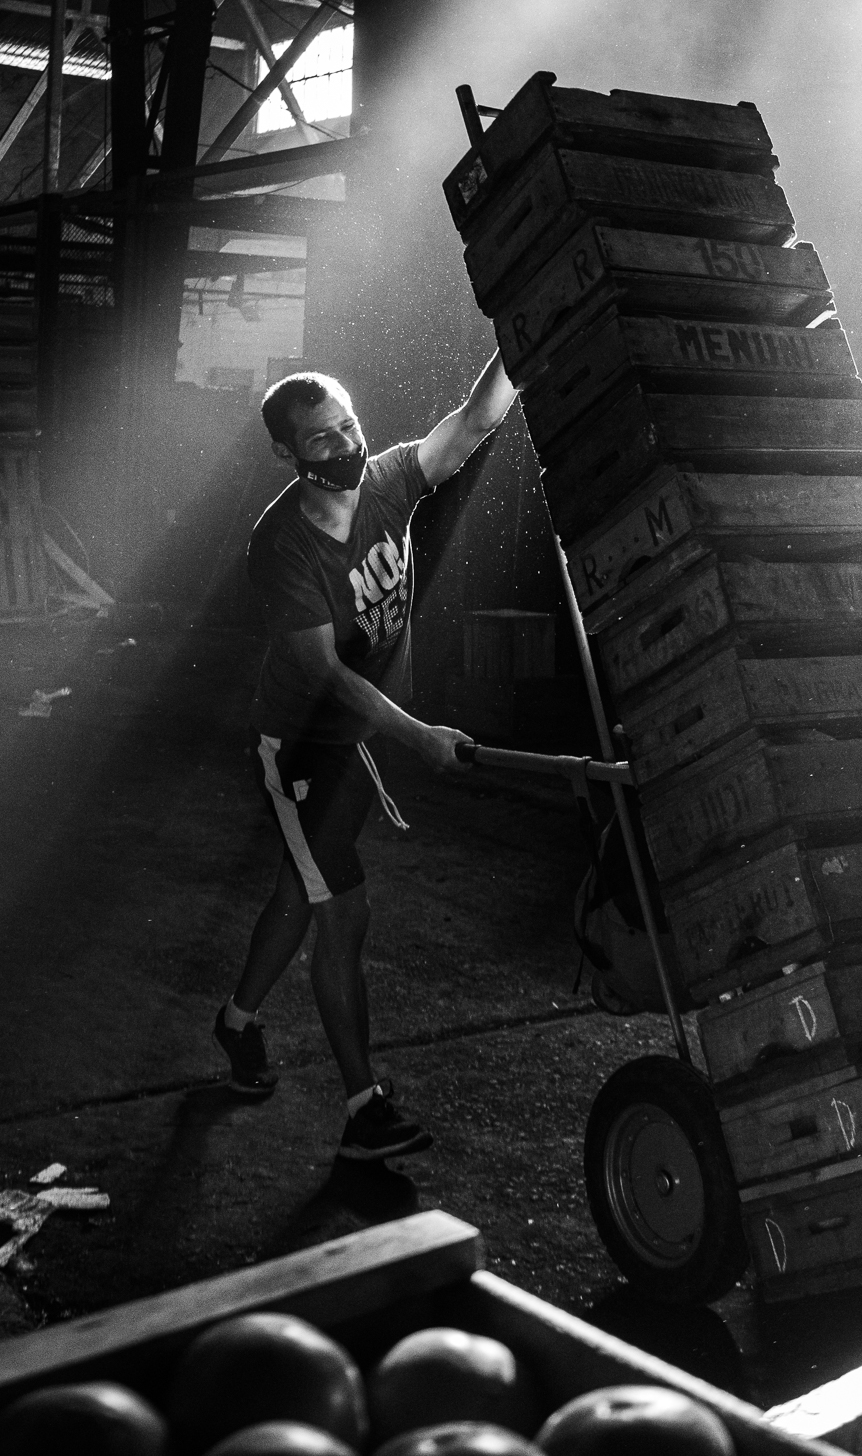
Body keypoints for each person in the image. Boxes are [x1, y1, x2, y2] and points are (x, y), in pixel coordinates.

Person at [216, 354, 516, 1162]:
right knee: (342, 914)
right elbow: (323, 673)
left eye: (348, 425)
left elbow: (474, 420)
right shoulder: (281, 544)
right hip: (301, 746)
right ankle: (362, 1110)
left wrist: (518, 338)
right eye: (322, 439)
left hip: (351, 738)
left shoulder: (388, 481)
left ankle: (236, 1024)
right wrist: (417, 734)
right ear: (287, 453)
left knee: (302, 888)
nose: (346, 444)